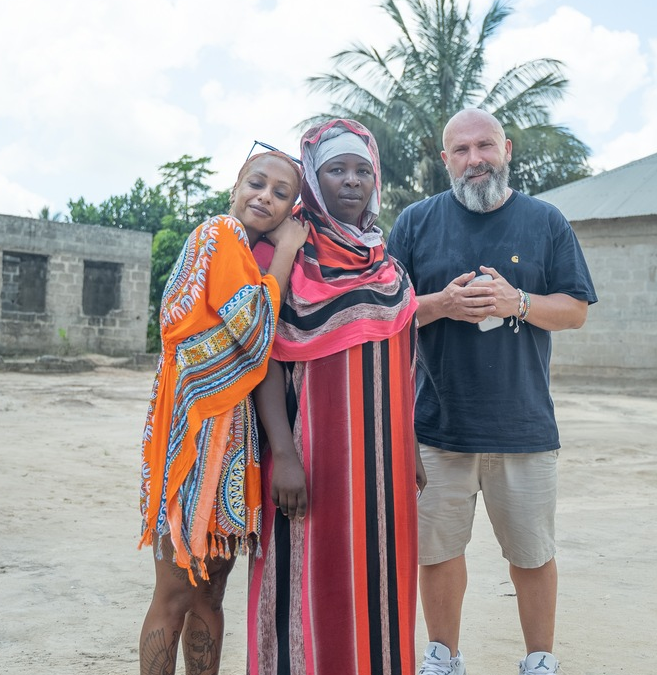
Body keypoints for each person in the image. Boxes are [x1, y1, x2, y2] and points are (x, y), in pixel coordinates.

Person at [386, 108, 598, 675]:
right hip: (437, 428)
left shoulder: (546, 221)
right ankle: (444, 657)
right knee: (438, 553)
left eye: (485, 146)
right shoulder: (415, 224)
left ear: (506, 149)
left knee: (532, 556)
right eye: (462, 150)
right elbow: (383, 315)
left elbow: (575, 310)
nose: (475, 159)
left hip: (523, 428)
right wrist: (441, 305)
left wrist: (519, 303)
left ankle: (538, 661)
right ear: (445, 160)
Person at [247, 118, 425, 675]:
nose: (352, 182)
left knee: (380, 584)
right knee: (304, 582)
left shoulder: (388, 264)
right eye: (335, 170)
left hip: (383, 466)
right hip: (310, 457)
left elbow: (403, 357)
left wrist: (410, 445)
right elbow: (262, 356)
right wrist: (286, 455)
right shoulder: (285, 253)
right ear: (312, 181)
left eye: (362, 171)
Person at [137, 149, 309, 675]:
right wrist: (287, 251)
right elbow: (255, 335)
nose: (266, 196)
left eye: (281, 194)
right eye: (257, 183)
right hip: (195, 437)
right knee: (176, 592)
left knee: (210, 590)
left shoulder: (235, 249)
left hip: (228, 440)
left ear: (291, 207)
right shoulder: (222, 235)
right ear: (235, 187)